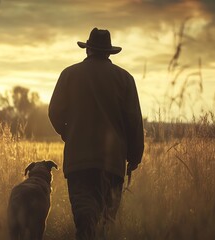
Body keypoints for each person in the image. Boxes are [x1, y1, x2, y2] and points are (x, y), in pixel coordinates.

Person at [48, 27, 144, 239]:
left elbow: (54, 111)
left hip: (78, 162)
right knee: (106, 224)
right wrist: (134, 156)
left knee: (85, 220)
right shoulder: (125, 79)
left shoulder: (69, 74)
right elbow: (134, 121)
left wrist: (68, 133)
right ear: (109, 52)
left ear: (87, 50)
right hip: (113, 164)